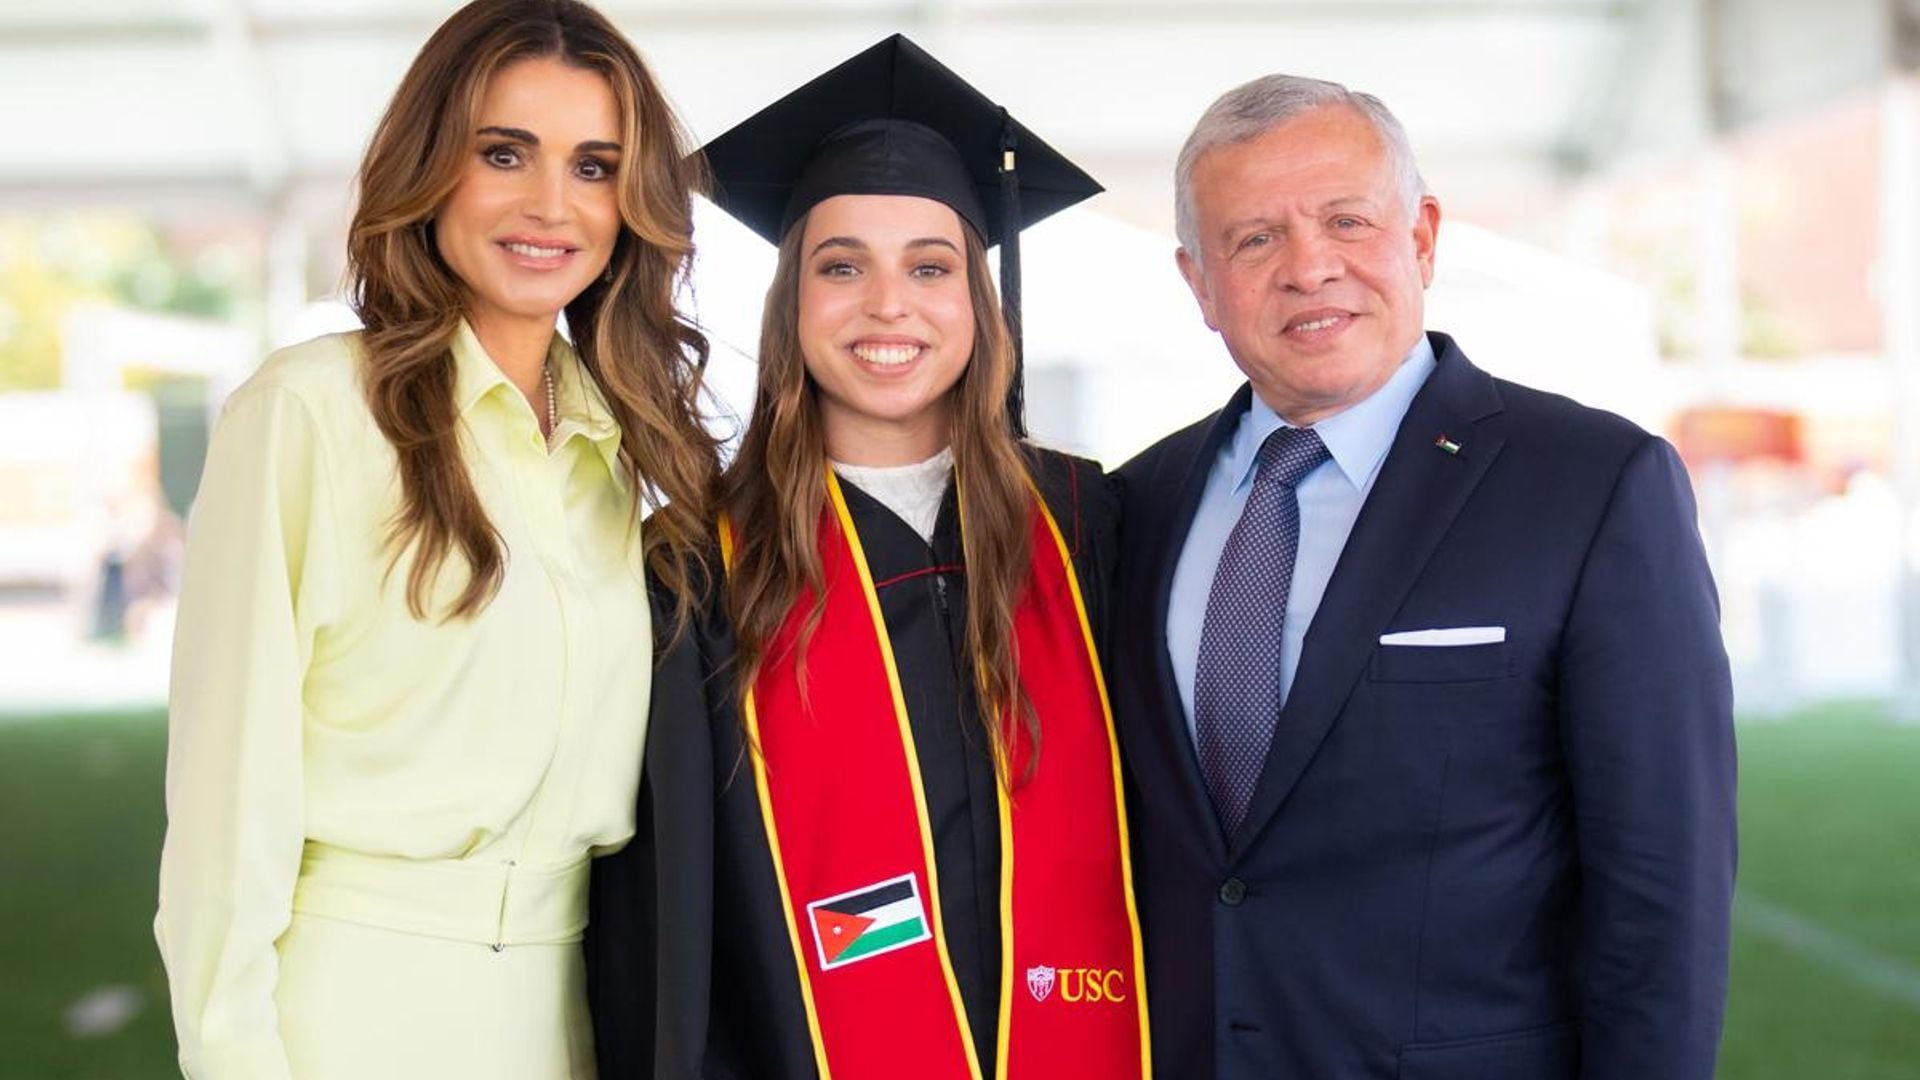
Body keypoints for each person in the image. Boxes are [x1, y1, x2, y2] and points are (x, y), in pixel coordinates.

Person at [1110, 75, 1737, 1079]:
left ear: (1424, 238)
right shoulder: (1135, 504)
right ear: (1200, 282)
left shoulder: (1592, 486)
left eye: (1346, 220)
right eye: (1255, 238)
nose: (1309, 268)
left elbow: (1662, 885)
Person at [154, 2, 718, 1077]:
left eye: (595, 167)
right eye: (505, 153)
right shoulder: (311, 413)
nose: (553, 205)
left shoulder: (616, 451)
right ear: (431, 165)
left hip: (573, 1011)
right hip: (355, 1012)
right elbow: (227, 811)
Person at [587, 35, 1149, 1080]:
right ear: (791, 300)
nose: (888, 305)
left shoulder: (1090, 527)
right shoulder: (698, 569)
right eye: (841, 266)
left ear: (979, 305)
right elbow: (661, 927)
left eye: (930, 267)